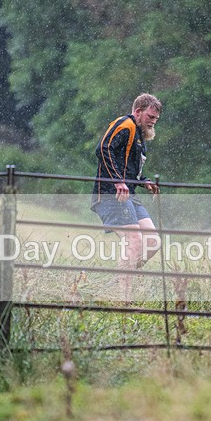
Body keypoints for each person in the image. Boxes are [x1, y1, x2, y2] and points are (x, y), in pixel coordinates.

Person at [91, 93, 162, 299]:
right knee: (134, 240)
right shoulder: (126, 124)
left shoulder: (139, 136)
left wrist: (145, 181)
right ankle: (124, 299)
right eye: (150, 116)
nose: (153, 121)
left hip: (129, 194)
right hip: (110, 194)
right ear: (138, 112)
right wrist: (117, 181)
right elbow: (103, 149)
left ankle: (120, 277)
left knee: (153, 242)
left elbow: (131, 171)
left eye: (156, 119)